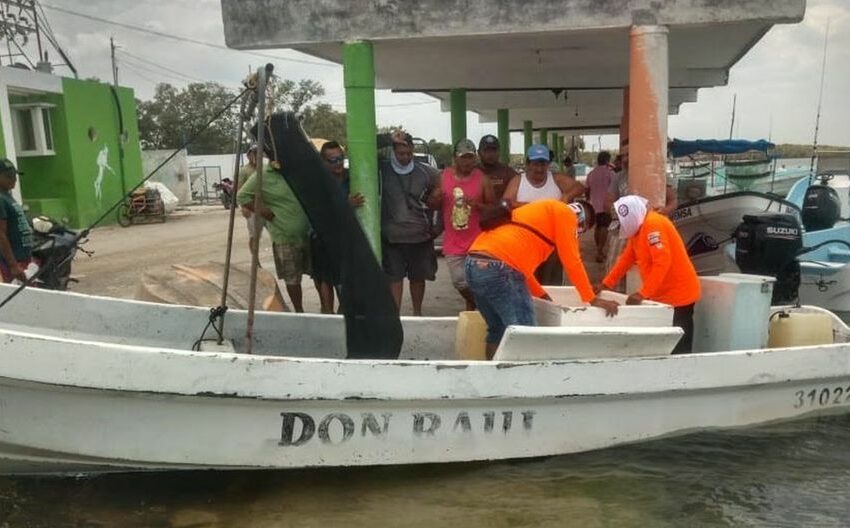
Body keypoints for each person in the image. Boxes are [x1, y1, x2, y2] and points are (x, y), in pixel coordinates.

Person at [465, 199, 619, 359]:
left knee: (497, 330)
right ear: (582, 221)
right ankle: (524, 381)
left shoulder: (539, 218)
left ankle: (494, 378)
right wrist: (592, 299)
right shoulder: (567, 215)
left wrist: (543, 296)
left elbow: (524, 272)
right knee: (527, 334)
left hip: (473, 264)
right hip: (499, 267)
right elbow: (572, 260)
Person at [596, 195, 701, 354]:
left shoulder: (653, 225)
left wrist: (642, 293)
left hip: (679, 296)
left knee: (679, 347)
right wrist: (606, 284)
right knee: (664, 345)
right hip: (661, 296)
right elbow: (626, 259)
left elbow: (662, 262)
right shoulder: (638, 230)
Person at [503, 144, 584, 285]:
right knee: (528, 284)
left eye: (543, 164)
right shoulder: (518, 181)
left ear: (548, 164)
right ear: (528, 163)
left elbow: (580, 187)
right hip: (526, 244)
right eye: (535, 164)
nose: (539, 169)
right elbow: (506, 204)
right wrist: (539, 208)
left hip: (553, 244)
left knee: (552, 285)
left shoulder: (556, 179)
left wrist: (566, 196)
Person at [380, 132, 441, 316]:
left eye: (408, 153)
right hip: (392, 236)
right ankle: (394, 315)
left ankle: (417, 313)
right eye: (400, 153)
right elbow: (362, 147)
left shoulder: (426, 171)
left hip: (419, 235)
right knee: (394, 278)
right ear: (394, 151)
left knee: (418, 277)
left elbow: (443, 188)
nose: (405, 157)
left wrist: (436, 227)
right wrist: (389, 138)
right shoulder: (384, 168)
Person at [237, 163, 311, 312]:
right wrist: (265, 213)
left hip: (309, 234)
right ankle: (299, 311)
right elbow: (242, 196)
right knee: (293, 278)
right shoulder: (263, 174)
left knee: (319, 276)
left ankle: (325, 308)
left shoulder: (298, 170)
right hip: (284, 237)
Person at [432, 138, 494, 310]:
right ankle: (485, 308)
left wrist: (477, 205)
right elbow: (434, 204)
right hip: (453, 242)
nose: (467, 162)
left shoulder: (483, 179)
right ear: (455, 158)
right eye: (463, 158)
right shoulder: (443, 177)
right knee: (459, 281)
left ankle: (474, 314)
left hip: (477, 241)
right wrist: (435, 198)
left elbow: (493, 208)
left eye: (470, 157)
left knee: (477, 282)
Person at [311, 141, 365, 314]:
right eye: (332, 160)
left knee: (347, 279)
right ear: (323, 162)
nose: (338, 163)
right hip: (323, 238)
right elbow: (319, 211)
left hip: (347, 238)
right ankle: (328, 313)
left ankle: (344, 312)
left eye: (340, 158)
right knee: (326, 279)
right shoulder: (318, 182)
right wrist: (345, 205)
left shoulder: (353, 178)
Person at [0, 159, 33, 283]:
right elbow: (1, 234)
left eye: (14, 175)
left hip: (22, 259)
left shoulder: (7, 196)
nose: (13, 179)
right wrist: (13, 265)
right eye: (8, 176)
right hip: (12, 263)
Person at [586, 151, 615, 263]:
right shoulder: (610, 173)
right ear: (607, 160)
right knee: (604, 227)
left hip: (594, 205)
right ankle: (599, 251)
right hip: (606, 205)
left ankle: (599, 249)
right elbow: (614, 189)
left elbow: (587, 189)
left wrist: (589, 199)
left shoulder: (591, 174)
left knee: (598, 227)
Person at [477, 134, 518, 201]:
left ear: (499, 152)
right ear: (478, 152)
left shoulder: (508, 173)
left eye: (494, 150)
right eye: (486, 150)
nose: (491, 154)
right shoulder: (472, 172)